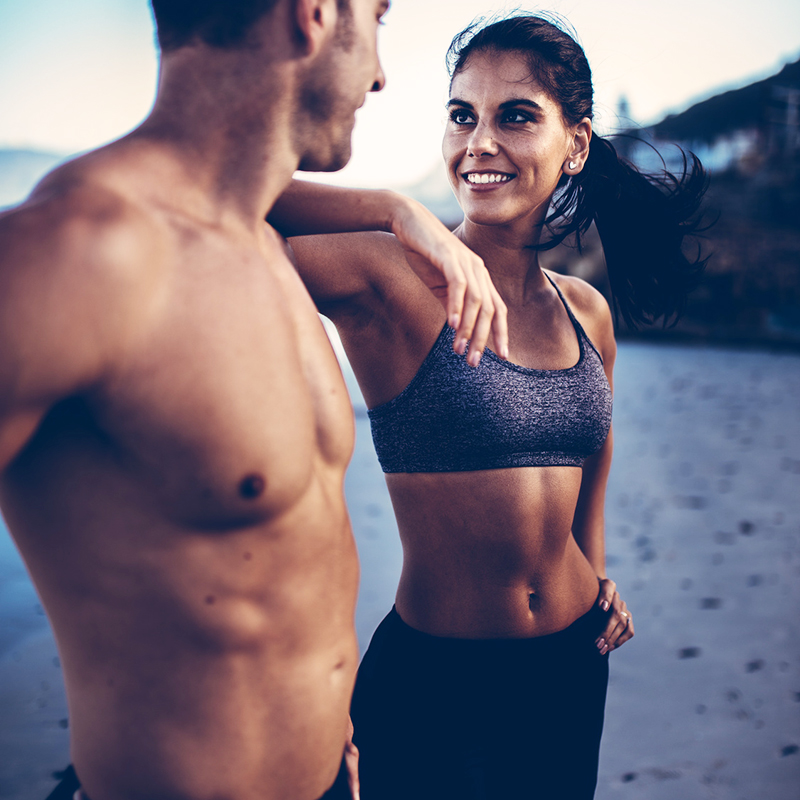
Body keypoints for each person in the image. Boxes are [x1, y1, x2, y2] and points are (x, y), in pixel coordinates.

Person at [0, 2, 507, 800]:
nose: (380, 72)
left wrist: (396, 207)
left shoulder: (256, 245)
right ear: (312, 15)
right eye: (375, 18)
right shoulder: (70, 256)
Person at [269, 12, 708, 799]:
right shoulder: (387, 276)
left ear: (574, 144)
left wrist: (598, 577)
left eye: (516, 116)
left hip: (574, 666)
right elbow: (222, 209)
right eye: (462, 115)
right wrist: (396, 212)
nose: (480, 141)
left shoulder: (587, 313)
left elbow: (591, 460)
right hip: (438, 679)